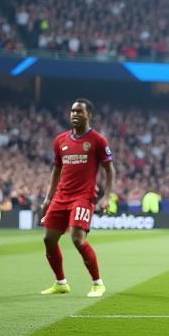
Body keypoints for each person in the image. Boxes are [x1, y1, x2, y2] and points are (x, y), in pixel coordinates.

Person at [39, 98, 113, 297]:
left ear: (89, 115)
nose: (74, 114)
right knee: (49, 239)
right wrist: (48, 198)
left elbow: (109, 169)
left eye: (79, 111)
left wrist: (107, 196)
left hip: (83, 196)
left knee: (77, 239)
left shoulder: (98, 140)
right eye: (72, 111)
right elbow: (56, 170)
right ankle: (61, 282)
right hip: (61, 196)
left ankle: (98, 283)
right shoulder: (60, 140)